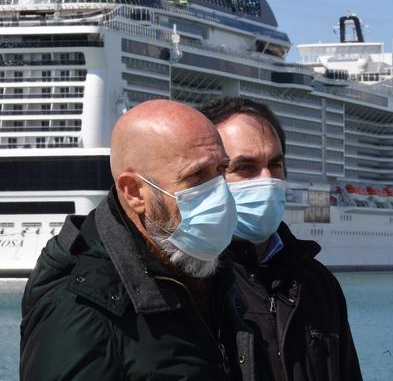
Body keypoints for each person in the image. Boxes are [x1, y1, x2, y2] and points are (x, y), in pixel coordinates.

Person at [20, 100, 256, 380]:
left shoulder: (215, 272)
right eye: (196, 176)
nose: (218, 192)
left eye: (220, 171)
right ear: (134, 192)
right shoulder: (80, 312)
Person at [200, 97, 362, 381]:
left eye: (275, 165)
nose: (267, 179)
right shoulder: (190, 281)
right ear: (208, 177)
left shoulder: (318, 282)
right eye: (245, 167)